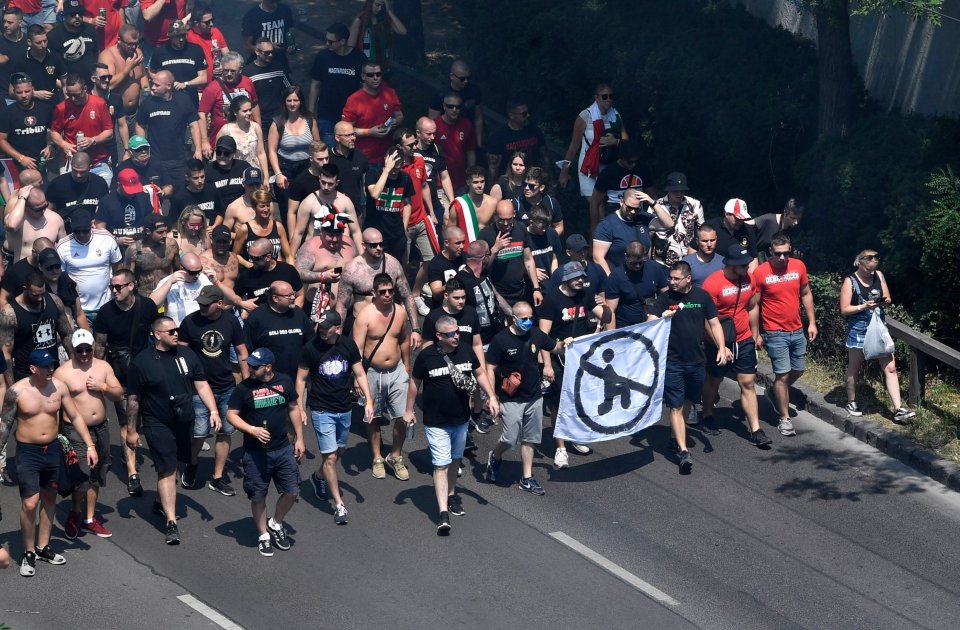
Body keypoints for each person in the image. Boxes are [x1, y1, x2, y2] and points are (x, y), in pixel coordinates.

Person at [0, 348, 98, 577]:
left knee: (49, 498)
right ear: (33, 369)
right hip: (28, 452)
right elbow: (5, 425)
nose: (50, 370)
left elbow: (74, 416)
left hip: (53, 450)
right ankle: (28, 551)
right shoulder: (17, 391)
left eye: (52, 365)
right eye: (45, 366)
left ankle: (44, 547)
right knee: (30, 503)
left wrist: (90, 445)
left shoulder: (59, 388)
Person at [125, 316, 222, 545]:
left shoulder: (187, 355)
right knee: (167, 470)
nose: (176, 334)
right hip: (156, 422)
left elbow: (201, 384)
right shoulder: (142, 362)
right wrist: (131, 430)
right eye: (171, 331)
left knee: (178, 463)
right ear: (157, 334)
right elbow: (133, 399)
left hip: (183, 419)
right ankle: (171, 522)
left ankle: (160, 501)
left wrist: (214, 411)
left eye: (177, 330)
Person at [404, 314, 497, 534]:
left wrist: (491, 396)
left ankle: (452, 493)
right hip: (436, 422)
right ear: (438, 336)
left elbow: (479, 373)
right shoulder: (426, 357)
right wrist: (408, 411)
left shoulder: (465, 350)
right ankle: (443, 513)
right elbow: (414, 384)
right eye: (450, 334)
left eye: (457, 332)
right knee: (441, 464)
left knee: (456, 459)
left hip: (461, 419)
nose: (456, 336)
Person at [648, 261, 730, 473]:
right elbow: (650, 320)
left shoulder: (702, 297)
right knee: (675, 406)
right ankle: (684, 452)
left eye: (676, 279)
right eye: (671, 278)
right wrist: (661, 319)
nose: (672, 282)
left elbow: (713, 323)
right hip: (672, 362)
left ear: (688, 278)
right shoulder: (665, 298)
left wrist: (721, 347)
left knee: (688, 402)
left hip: (696, 361)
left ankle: (674, 436)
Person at [296, 310, 373, 525]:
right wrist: (301, 408)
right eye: (320, 326)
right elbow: (301, 379)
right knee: (329, 458)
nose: (321, 329)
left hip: (344, 407)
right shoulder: (310, 348)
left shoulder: (347, 345)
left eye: (326, 327)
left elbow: (359, 373)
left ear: (337, 329)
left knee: (340, 451)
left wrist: (369, 401)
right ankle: (339, 505)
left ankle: (318, 477)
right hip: (321, 409)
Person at [227, 346, 304, 556]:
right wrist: (252, 430)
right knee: (258, 496)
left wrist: (300, 439)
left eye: (254, 366)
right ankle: (263, 535)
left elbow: (294, 408)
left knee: (292, 491)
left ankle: (276, 523)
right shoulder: (244, 388)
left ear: (268, 367)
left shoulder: (285, 381)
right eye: (249, 364)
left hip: (283, 448)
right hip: (255, 453)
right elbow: (231, 415)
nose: (249, 368)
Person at [539, 261, 612, 468]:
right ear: (565, 279)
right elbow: (543, 337)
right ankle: (560, 447)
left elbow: (606, 317)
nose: (581, 280)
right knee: (560, 403)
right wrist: (547, 366)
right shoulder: (551, 300)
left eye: (583, 277)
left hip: (581, 360)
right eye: (577, 277)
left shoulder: (585, 295)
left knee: (580, 398)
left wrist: (605, 306)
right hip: (559, 358)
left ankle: (576, 434)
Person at [178, 285, 249, 494]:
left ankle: (217, 477)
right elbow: (181, 353)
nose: (202, 307)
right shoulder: (190, 322)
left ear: (219, 303)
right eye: (200, 303)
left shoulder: (230, 320)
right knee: (200, 432)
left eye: (206, 305)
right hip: (199, 387)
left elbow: (241, 350)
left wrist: (246, 382)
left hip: (226, 385)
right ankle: (192, 463)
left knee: (226, 431)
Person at [485, 301, 562, 492]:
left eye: (531, 318)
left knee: (530, 438)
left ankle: (527, 478)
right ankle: (495, 456)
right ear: (514, 319)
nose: (528, 322)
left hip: (534, 397)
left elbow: (555, 347)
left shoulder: (536, 333)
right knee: (510, 439)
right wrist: (492, 396)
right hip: (511, 399)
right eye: (524, 319)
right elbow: (490, 368)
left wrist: (567, 344)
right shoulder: (501, 340)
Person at [94, 267, 159, 495]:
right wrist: (96, 373)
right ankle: (132, 472)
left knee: (143, 419)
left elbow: (157, 333)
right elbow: (100, 346)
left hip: (144, 370)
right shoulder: (106, 313)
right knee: (127, 421)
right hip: (118, 373)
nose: (114, 291)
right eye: (112, 287)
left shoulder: (147, 306)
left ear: (131, 286)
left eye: (118, 287)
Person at [54, 328, 123, 539]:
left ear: (93, 347)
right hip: (74, 429)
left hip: (100, 427)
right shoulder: (63, 372)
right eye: (79, 350)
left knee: (98, 472)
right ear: (72, 350)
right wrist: (57, 436)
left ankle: (89, 518)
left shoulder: (103, 367)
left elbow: (119, 394)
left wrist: (102, 386)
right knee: (83, 473)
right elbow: (55, 406)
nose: (84, 354)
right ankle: (75, 512)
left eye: (87, 350)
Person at [701, 244, 770, 445]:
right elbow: (707, 319)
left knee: (748, 383)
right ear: (731, 265)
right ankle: (707, 414)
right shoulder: (712, 284)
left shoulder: (749, 279)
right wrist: (720, 345)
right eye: (743, 265)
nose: (748, 268)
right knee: (714, 381)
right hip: (718, 341)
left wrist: (755, 334)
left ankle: (756, 430)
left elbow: (752, 306)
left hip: (744, 339)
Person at [839, 249, 915, 423]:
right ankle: (851, 401)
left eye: (876, 259)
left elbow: (888, 298)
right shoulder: (850, 281)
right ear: (860, 262)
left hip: (878, 326)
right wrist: (863, 306)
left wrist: (882, 301)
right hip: (859, 328)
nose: (874, 263)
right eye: (870, 259)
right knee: (855, 367)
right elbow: (844, 309)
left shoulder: (878, 276)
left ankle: (898, 409)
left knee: (890, 367)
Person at [753, 233, 817, 436]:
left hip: (796, 329)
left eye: (786, 253)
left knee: (798, 370)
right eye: (778, 254)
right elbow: (754, 305)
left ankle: (774, 391)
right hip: (774, 332)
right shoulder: (761, 272)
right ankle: (784, 418)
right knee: (782, 374)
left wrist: (812, 323)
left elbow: (806, 293)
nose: (782, 258)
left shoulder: (798, 266)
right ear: (771, 251)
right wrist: (756, 333)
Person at [352, 272, 411, 480]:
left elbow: (404, 339)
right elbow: (356, 351)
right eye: (382, 292)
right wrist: (356, 379)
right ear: (373, 293)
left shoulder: (400, 312)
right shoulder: (364, 316)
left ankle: (395, 455)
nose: (387, 295)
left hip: (396, 371)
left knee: (403, 417)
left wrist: (407, 366)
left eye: (390, 291)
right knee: (373, 416)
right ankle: (377, 456)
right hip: (371, 373)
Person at [335, 228, 419, 342]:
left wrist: (415, 329)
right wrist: (337, 333)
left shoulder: (393, 264)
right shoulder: (352, 269)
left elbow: (407, 296)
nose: (378, 248)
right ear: (364, 245)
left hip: (388, 323)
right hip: (362, 326)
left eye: (381, 244)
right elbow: (342, 305)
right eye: (373, 245)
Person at [0, 270, 75, 383]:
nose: (40, 298)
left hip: (53, 369)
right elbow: (6, 352)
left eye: (42, 293)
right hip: (27, 375)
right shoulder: (10, 313)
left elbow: (67, 335)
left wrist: (74, 365)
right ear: (25, 288)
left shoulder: (54, 301)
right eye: (35, 295)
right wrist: (11, 385)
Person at [558, 83, 626, 202]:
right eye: (605, 96)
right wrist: (564, 172)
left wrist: (616, 141)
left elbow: (626, 142)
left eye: (611, 96)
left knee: (607, 205)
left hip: (609, 163)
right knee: (595, 203)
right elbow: (573, 146)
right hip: (588, 165)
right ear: (596, 97)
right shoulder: (585, 116)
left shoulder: (615, 115)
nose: (608, 100)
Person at [135, 68, 203, 184]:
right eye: (152, 84)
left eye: (157, 85)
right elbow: (140, 125)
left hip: (179, 159)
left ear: (168, 86)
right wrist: (143, 148)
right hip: (155, 159)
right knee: (157, 195)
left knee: (179, 194)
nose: (152, 87)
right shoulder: (148, 103)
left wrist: (198, 149)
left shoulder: (183, 100)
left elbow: (194, 124)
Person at [56, 209, 121, 326]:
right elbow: (61, 278)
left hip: (107, 305)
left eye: (85, 231)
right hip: (79, 310)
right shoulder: (63, 246)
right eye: (77, 231)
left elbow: (118, 269)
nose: (81, 235)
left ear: (92, 225)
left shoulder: (107, 239)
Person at [592, 188, 673, 276]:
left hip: (644, 276)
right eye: (629, 207)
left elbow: (669, 224)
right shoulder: (607, 224)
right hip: (620, 277)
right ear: (621, 202)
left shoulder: (643, 218)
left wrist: (652, 202)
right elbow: (598, 258)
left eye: (636, 209)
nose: (632, 211)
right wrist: (612, 279)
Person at [309, 23, 366, 145]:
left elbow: (364, 87)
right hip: (327, 114)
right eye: (326, 40)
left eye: (331, 41)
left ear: (342, 41)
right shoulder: (323, 57)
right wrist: (311, 112)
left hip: (351, 115)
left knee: (349, 151)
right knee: (331, 153)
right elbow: (315, 85)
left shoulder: (359, 58)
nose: (327, 44)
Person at [243, 280, 313, 379]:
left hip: (296, 378)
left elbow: (310, 343)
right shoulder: (257, 317)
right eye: (289, 295)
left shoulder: (298, 313)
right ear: (275, 298)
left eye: (293, 294)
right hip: (268, 379)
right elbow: (247, 350)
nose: (293, 297)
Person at [477, 200, 541, 307]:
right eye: (502, 220)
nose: (506, 224)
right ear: (496, 216)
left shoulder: (521, 228)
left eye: (509, 219)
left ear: (514, 214)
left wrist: (536, 288)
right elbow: (481, 268)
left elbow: (528, 259)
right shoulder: (485, 234)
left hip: (520, 291)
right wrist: (495, 250)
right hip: (497, 294)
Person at [289, 162, 363, 254]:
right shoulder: (309, 202)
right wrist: (291, 258)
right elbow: (298, 233)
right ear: (319, 178)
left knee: (338, 269)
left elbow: (356, 232)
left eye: (330, 184)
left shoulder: (345, 201)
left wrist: (362, 256)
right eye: (323, 182)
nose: (326, 187)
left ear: (337, 182)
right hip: (315, 251)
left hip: (338, 253)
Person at [268, 85, 320, 215]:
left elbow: (318, 145)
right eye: (289, 100)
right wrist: (278, 174)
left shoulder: (310, 120)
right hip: (286, 169)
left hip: (307, 167)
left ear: (301, 101)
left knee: (309, 208)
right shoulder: (277, 123)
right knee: (287, 210)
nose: (292, 104)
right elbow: (272, 151)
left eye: (295, 100)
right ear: (284, 102)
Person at [294, 214, 356, 319]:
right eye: (331, 235)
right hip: (317, 311)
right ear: (322, 233)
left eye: (338, 235)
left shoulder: (349, 244)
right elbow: (298, 272)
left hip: (346, 311)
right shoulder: (311, 246)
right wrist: (322, 276)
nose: (335, 239)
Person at [341, 59, 402, 165]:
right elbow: (345, 131)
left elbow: (399, 115)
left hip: (387, 156)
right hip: (364, 158)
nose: (375, 78)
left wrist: (393, 123)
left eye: (378, 74)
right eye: (371, 75)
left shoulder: (390, 93)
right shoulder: (354, 100)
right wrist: (369, 132)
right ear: (363, 76)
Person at [456, 239, 512, 348]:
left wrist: (512, 314)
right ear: (484, 258)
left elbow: (496, 296)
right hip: (479, 342)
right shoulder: (461, 281)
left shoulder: (484, 274)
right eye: (488, 255)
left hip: (496, 335)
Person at [198, 51, 260, 150]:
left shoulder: (247, 82)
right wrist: (205, 141)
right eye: (226, 70)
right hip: (222, 140)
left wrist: (258, 129)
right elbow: (202, 114)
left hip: (247, 138)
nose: (229, 74)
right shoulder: (212, 87)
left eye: (233, 71)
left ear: (240, 70)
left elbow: (254, 105)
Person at [364, 146, 412, 263]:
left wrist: (404, 227)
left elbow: (407, 204)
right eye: (393, 165)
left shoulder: (405, 178)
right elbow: (375, 194)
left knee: (397, 267)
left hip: (396, 233)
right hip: (375, 232)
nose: (395, 169)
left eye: (399, 165)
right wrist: (386, 170)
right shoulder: (373, 173)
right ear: (386, 159)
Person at [604, 240, 667, 329]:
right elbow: (611, 310)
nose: (637, 266)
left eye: (640, 262)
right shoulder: (616, 276)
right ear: (626, 257)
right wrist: (612, 337)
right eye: (633, 263)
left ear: (645, 257)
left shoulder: (654, 268)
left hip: (651, 325)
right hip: (626, 328)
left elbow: (665, 294)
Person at [0, 75, 54, 175]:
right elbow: (1, 140)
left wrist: (51, 146)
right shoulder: (7, 112)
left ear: (33, 89)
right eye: (19, 92)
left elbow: (56, 131)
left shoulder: (45, 109)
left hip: (42, 162)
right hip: (17, 164)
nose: (24, 95)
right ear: (14, 92)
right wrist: (20, 158)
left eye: (27, 91)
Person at [4, 185, 67, 270]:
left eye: (45, 206)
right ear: (25, 206)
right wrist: (22, 198)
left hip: (49, 271)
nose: (43, 211)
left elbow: (65, 248)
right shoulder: (17, 220)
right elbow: (11, 226)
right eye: (38, 209)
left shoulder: (56, 219)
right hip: (23, 272)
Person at [650, 172, 705, 267]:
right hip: (662, 262)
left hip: (689, 260)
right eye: (675, 191)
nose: (679, 194)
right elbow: (649, 236)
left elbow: (702, 231)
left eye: (682, 191)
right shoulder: (656, 206)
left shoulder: (695, 205)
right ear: (668, 190)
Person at [588, 140, 644, 233]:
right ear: (621, 158)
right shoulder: (608, 173)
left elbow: (652, 195)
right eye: (630, 162)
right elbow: (595, 202)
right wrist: (595, 229)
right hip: (614, 216)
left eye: (636, 162)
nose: (634, 165)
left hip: (638, 216)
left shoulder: (642, 170)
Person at [45, 153, 109, 232]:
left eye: (82, 172)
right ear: (71, 165)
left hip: (92, 229)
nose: (78, 175)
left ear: (90, 167)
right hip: (66, 230)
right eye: (75, 171)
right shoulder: (57, 183)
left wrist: (98, 222)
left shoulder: (100, 183)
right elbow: (48, 211)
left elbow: (105, 209)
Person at [486, 99, 551, 177]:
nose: (528, 115)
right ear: (511, 115)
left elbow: (545, 156)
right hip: (509, 183)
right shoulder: (498, 137)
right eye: (524, 114)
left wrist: (545, 177)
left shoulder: (534, 131)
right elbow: (493, 168)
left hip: (532, 180)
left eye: (528, 112)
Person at [94, 168, 155, 251]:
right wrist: (116, 240)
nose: (132, 193)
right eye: (129, 190)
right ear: (119, 184)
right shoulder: (106, 201)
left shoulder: (143, 197)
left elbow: (151, 219)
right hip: (115, 246)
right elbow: (100, 228)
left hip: (141, 243)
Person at [427, 59, 483, 149]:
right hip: (447, 136)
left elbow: (478, 118)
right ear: (452, 76)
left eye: (468, 78)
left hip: (468, 135)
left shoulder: (474, 91)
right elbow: (432, 121)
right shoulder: (440, 94)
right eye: (462, 78)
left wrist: (479, 143)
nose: (466, 81)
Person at [234, 238, 302, 307]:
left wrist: (295, 314)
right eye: (250, 256)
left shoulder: (288, 270)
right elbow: (235, 296)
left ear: (268, 257)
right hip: (260, 316)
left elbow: (300, 295)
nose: (250, 260)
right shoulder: (247, 275)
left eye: (255, 258)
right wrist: (242, 305)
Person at [243, 37, 289, 139]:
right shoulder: (247, 73)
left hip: (279, 117)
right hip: (258, 119)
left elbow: (289, 90)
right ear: (257, 51)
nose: (271, 55)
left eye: (272, 52)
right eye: (267, 53)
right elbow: (245, 98)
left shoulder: (279, 68)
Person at [47, 0, 100, 90]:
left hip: (90, 83)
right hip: (68, 86)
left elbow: (97, 53)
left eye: (80, 13)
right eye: (72, 14)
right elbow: (51, 63)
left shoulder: (91, 30)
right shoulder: (54, 35)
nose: (77, 17)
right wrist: (60, 84)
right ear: (64, 15)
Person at [149, 252, 212, 325]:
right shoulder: (168, 281)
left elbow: (221, 302)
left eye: (199, 271)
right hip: (179, 329)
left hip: (200, 327)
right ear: (182, 269)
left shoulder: (203, 279)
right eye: (193, 273)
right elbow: (152, 304)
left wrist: (216, 282)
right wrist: (169, 283)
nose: (197, 275)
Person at [233, 189, 292, 267]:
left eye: (268, 205)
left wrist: (292, 272)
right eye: (262, 206)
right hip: (254, 273)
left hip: (276, 271)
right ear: (254, 207)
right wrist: (248, 265)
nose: (266, 209)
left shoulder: (278, 227)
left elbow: (288, 256)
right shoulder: (245, 229)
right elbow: (235, 255)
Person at [8, 25, 66, 102]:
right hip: (31, 106)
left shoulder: (55, 57)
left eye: (45, 41)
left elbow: (65, 85)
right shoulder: (21, 60)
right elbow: (11, 91)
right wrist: (35, 93)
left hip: (53, 104)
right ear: (29, 42)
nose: (43, 45)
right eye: (38, 42)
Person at [96, 23, 145, 115]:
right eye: (130, 44)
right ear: (119, 40)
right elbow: (108, 85)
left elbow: (143, 76)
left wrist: (147, 91)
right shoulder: (107, 56)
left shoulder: (137, 53)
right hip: (116, 114)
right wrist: (127, 69)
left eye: (136, 44)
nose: (133, 47)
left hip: (136, 112)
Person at [284, 140, 330, 235]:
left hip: (331, 228)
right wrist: (293, 237)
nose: (325, 162)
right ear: (311, 159)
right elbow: (292, 212)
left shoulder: (333, 176)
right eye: (320, 159)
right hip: (309, 231)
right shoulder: (300, 181)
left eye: (327, 158)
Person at [414, 116, 454, 223]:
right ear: (418, 133)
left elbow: (444, 177)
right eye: (428, 134)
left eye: (434, 134)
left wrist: (452, 201)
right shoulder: (410, 149)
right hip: (414, 203)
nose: (432, 137)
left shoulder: (437, 149)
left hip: (434, 201)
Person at [146, 20, 206, 92]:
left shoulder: (195, 50)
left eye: (183, 35)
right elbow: (151, 70)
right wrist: (162, 83)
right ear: (170, 37)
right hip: (168, 96)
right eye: (177, 36)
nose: (181, 39)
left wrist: (186, 84)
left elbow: (203, 78)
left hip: (189, 96)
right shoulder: (160, 52)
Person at [433, 92, 475, 192]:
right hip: (440, 182)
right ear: (444, 106)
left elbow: (470, 151)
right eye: (450, 106)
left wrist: (472, 173)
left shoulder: (467, 124)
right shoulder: (434, 126)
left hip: (461, 181)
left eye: (458, 107)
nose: (454, 110)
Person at [217, 96, 269, 178]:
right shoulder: (225, 130)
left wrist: (266, 176)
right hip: (234, 173)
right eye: (245, 111)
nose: (249, 113)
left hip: (254, 173)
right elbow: (218, 155)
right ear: (235, 112)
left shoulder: (256, 127)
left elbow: (261, 153)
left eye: (250, 110)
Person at [37, 247, 88, 329]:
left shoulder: (69, 283)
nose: (54, 270)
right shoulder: (36, 286)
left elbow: (79, 314)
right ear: (40, 267)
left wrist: (88, 338)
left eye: (57, 266)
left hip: (70, 334)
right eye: (49, 267)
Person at [348, 0, 405, 71]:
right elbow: (350, 47)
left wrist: (389, 11)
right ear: (370, 3)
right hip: (365, 66)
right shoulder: (360, 20)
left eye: (382, 6)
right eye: (377, 5)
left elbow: (402, 31)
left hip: (382, 65)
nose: (380, 9)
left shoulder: (384, 20)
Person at [89, 61, 129, 165]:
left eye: (109, 77)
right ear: (93, 79)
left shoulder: (115, 98)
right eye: (103, 77)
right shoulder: (86, 99)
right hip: (91, 148)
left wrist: (127, 150)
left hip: (111, 147)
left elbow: (122, 125)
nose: (107, 80)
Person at [703, 198, 758, 270]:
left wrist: (750, 278)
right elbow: (693, 249)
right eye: (738, 218)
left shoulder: (748, 230)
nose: (741, 222)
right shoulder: (710, 226)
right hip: (713, 272)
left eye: (743, 219)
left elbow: (753, 258)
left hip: (740, 274)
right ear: (727, 214)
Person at [240, 0, 293, 74]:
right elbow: (247, 48)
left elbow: (289, 32)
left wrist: (291, 45)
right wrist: (269, 49)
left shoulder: (285, 10)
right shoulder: (251, 16)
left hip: (281, 62)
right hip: (260, 65)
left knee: (286, 85)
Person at [447, 165, 496, 245]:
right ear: (468, 182)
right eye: (475, 182)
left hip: (486, 248)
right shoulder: (458, 205)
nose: (480, 185)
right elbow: (450, 232)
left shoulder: (493, 203)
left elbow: (497, 228)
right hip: (465, 249)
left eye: (482, 181)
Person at [185, 3, 228, 93]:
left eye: (212, 20)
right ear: (196, 23)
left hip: (218, 86)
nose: (211, 24)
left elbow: (228, 56)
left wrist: (223, 66)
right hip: (198, 90)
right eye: (207, 22)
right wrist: (189, 16)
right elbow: (175, 28)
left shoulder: (215, 32)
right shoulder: (188, 36)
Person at [170, 159, 223, 226]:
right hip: (189, 233)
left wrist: (214, 226)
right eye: (195, 178)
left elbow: (220, 213)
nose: (200, 181)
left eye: (202, 176)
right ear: (187, 178)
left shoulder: (212, 190)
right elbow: (173, 222)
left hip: (211, 230)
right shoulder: (179, 198)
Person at [512, 166, 563, 235]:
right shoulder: (516, 204)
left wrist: (550, 239)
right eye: (525, 184)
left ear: (541, 187)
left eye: (531, 186)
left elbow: (559, 226)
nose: (526, 188)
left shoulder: (551, 203)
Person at [329, 122, 368, 212]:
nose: (353, 138)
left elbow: (364, 187)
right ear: (337, 138)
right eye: (348, 136)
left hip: (356, 210)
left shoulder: (361, 157)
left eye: (353, 134)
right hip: (332, 211)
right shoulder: (328, 158)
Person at [205, 136, 253, 208]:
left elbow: (254, 190)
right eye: (218, 152)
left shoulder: (244, 167)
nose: (222, 156)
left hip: (242, 209)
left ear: (234, 153)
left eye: (226, 153)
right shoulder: (208, 170)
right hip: (218, 212)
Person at [752, 198, 804, 263]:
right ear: (785, 213)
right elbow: (747, 225)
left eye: (798, 219)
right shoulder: (768, 220)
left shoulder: (793, 230)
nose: (796, 222)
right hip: (756, 260)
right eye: (793, 218)